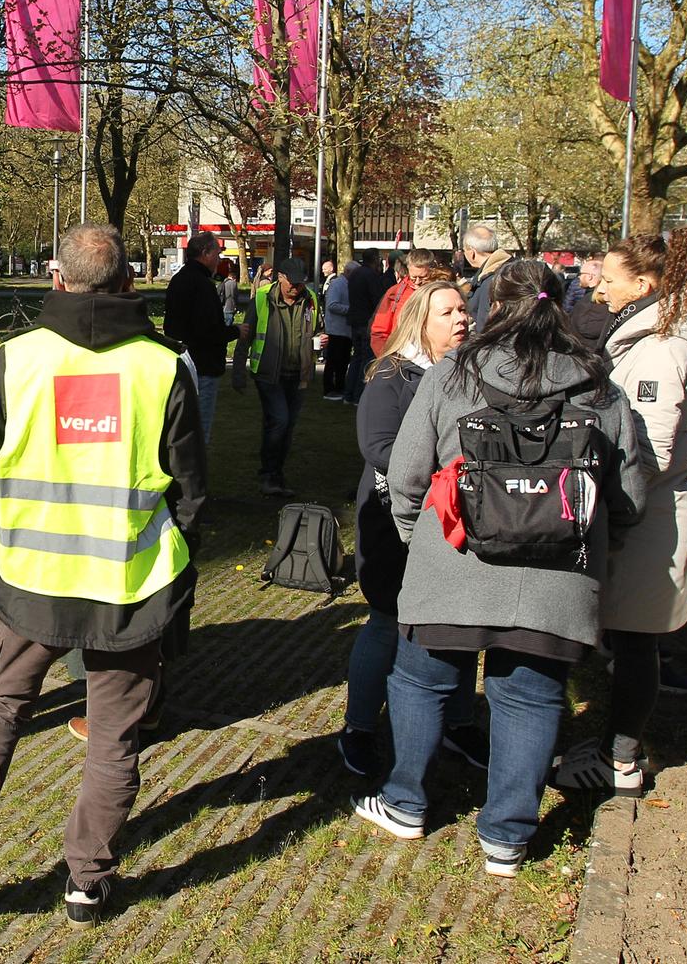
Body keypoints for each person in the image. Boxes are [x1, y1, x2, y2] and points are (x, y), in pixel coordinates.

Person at [0, 223, 204, 927]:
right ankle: (85, 882)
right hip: (128, 584)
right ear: (130, 282)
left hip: (28, 577)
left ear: (57, 279)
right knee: (112, 737)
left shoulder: (18, 357)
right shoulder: (164, 365)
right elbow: (192, 491)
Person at [356, 260, 645, 878]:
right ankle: (507, 837)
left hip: (453, 559)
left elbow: (406, 475)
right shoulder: (601, 386)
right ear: (560, 306)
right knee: (531, 698)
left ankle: (406, 801)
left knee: (420, 681)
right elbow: (630, 496)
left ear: (492, 307)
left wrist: (422, 542)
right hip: (558, 576)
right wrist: (597, 547)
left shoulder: (452, 374)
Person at [555, 235, 687, 797]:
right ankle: (615, 747)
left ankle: (620, 759)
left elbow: (648, 454)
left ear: (644, 285)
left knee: (634, 644)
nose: (599, 288)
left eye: (610, 278)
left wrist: (604, 507)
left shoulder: (660, 353)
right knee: (630, 640)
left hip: (648, 521)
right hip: (640, 517)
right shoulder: (647, 341)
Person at [343, 280, 484, 778]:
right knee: (388, 622)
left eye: (463, 309)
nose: (461, 318)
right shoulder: (392, 376)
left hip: (456, 517)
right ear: (419, 321)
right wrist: (441, 473)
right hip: (394, 519)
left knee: (460, 621)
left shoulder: (470, 373)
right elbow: (378, 447)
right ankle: (359, 728)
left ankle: (458, 723)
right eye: (447, 312)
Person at [234, 257, 319, 497]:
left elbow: (317, 330)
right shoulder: (262, 298)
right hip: (268, 374)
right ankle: (269, 475)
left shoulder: (311, 300)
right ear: (280, 277)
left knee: (285, 425)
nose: (296, 288)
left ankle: (276, 474)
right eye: (292, 283)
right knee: (280, 421)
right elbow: (245, 336)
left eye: (300, 283)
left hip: (298, 375)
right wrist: (238, 372)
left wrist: (320, 340)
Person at [162, 232, 243, 442]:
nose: (219, 259)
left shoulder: (180, 279)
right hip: (202, 364)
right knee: (198, 429)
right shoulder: (201, 284)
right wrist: (235, 331)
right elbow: (208, 329)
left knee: (181, 423)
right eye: (217, 253)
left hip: (182, 360)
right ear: (205, 253)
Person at [369, 248, 444, 356]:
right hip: (400, 356)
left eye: (423, 277)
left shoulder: (442, 293)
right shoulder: (395, 293)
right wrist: (385, 358)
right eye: (413, 277)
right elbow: (379, 332)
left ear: (432, 271)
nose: (417, 282)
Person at [342, 251, 387, 403]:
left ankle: (349, 393)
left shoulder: (355, 274)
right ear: (375, 259)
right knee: (366, 359)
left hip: (355, 319)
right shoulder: (371, 275)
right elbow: (378, 299)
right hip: (367, 321)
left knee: (357, 357)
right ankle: (358, 394)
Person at [460, 225, 515, 330]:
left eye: (464, 250)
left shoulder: (490, 281)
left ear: (472, 252)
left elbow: (484, 326)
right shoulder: (513, 270)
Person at [322, 261, 357, 402]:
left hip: (345, 329)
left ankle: (339, 387)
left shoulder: (346, 284)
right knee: (333, 361)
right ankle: (329, 389)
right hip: (336, 329)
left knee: (343, 361)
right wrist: (351, 310)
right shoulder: (337, 284)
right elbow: (332, 305)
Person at [566, 259, 612, 346]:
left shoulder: (588, 303)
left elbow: (586, 329)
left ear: (590, 277)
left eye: (581, 273)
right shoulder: (607, 300)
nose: (579, 277)